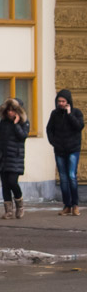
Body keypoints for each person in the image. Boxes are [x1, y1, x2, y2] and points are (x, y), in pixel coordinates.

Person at [46, 88, 85, 216]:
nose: (61, 103)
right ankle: (67, 205)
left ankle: (75, 205)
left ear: (68, 102)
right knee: (63, 178)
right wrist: (53, 142)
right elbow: (49, 129)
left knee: (72, 176)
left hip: (73, 149)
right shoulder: (54, 114)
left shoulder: (76, 113)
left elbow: (79, 127)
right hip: (60, 150)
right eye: (59, 101)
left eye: (63, 101)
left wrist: (69, 114)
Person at [0, 98, 29, 219]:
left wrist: (16, 124)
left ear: (18, 111)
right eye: (8, 110)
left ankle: (20, 205)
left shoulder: (24, 123)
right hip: (2, 157)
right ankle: (8, 211)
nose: (10, 113)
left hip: (15, 157)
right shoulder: (3, 122)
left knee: (12, 182)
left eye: (13, 110)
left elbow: (22, 136)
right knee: (5, 185)